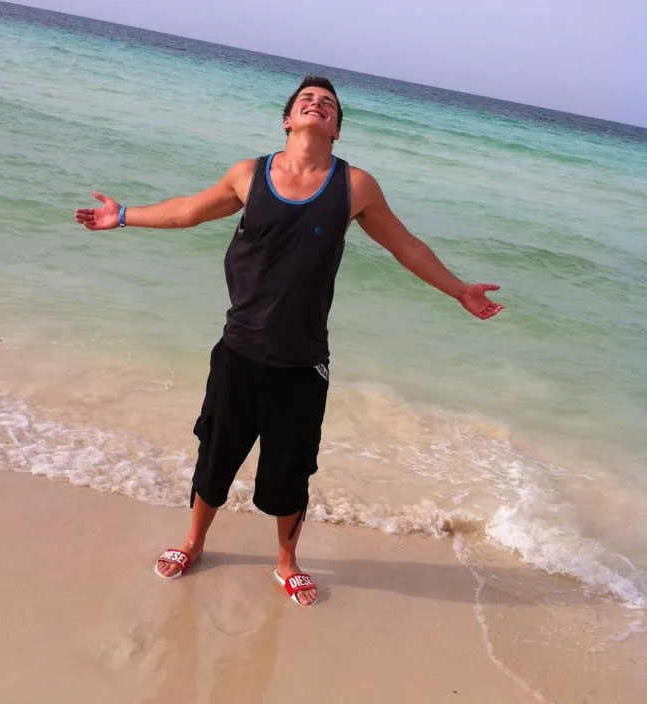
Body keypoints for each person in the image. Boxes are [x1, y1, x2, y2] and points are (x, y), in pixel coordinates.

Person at [75, 75, 503, 607]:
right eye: (307, 100)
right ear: (287, 119)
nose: (317, 104)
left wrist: (459, 289)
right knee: (216, 454)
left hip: (303, 362)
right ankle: (193, 541)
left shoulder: (356, 187)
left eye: (328, 103)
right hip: (239, 349)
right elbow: (189, 210)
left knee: (290, 471)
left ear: (337, 129)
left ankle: (286, 562)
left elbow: (405, 246)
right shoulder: (249, 173)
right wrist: (123, 217)